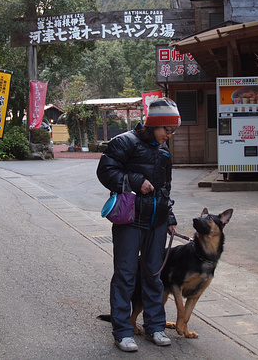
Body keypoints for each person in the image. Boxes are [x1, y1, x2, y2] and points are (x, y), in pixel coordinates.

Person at [97, 97, 180, 352]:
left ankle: (155, 327)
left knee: (154, 275)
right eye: (167, 129)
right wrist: (135, 181)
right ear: (155, 124)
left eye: (172, 131)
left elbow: (165, 187)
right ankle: (122, 332)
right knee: (125, 274)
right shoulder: (124, 142)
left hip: (156, 221)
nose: (169, 135)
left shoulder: (164, 152)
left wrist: (170, 218)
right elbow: (105, 171)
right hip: (129, 220)